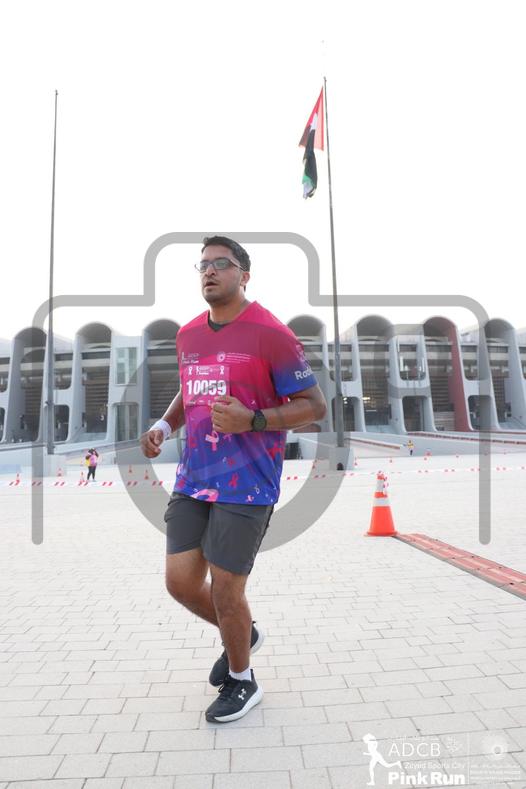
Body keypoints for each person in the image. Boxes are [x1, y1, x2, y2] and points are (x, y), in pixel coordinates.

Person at [140, 235, 327, 724]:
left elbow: (315, 407)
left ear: (244, 276)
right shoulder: (188, 335)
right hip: (193, 478)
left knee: (226, 591)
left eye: (221, 263)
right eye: (203, 264)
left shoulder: (271, 333)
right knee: (181, 584)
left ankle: (243, 681)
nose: (209, 270)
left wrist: (254, 420)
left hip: (248, 482)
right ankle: (244, 632)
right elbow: (189, 390)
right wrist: (164, 426)